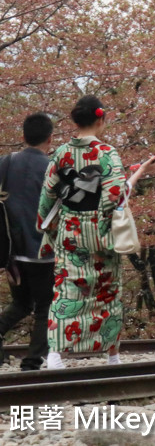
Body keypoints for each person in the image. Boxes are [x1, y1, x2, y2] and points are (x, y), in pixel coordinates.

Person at [37, 97, 128, 369]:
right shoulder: (107, 153)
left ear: (76, 120)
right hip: (99, 230)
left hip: (69, 229)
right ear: (101, 119)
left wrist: (46, 227)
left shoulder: (61, 153)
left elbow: (48, 195)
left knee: (66, 288)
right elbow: (115, 194)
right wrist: (103, 224)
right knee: (107, 290)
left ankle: (55, 355)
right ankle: (112, 355)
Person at [0, 114, 54, 370]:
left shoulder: (6, 163)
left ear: (23, 137)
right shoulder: (52, 169)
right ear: (50, 139)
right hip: (44, 252)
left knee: (21, 303)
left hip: (12, 252)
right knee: (45, 305)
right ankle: (32, 362)